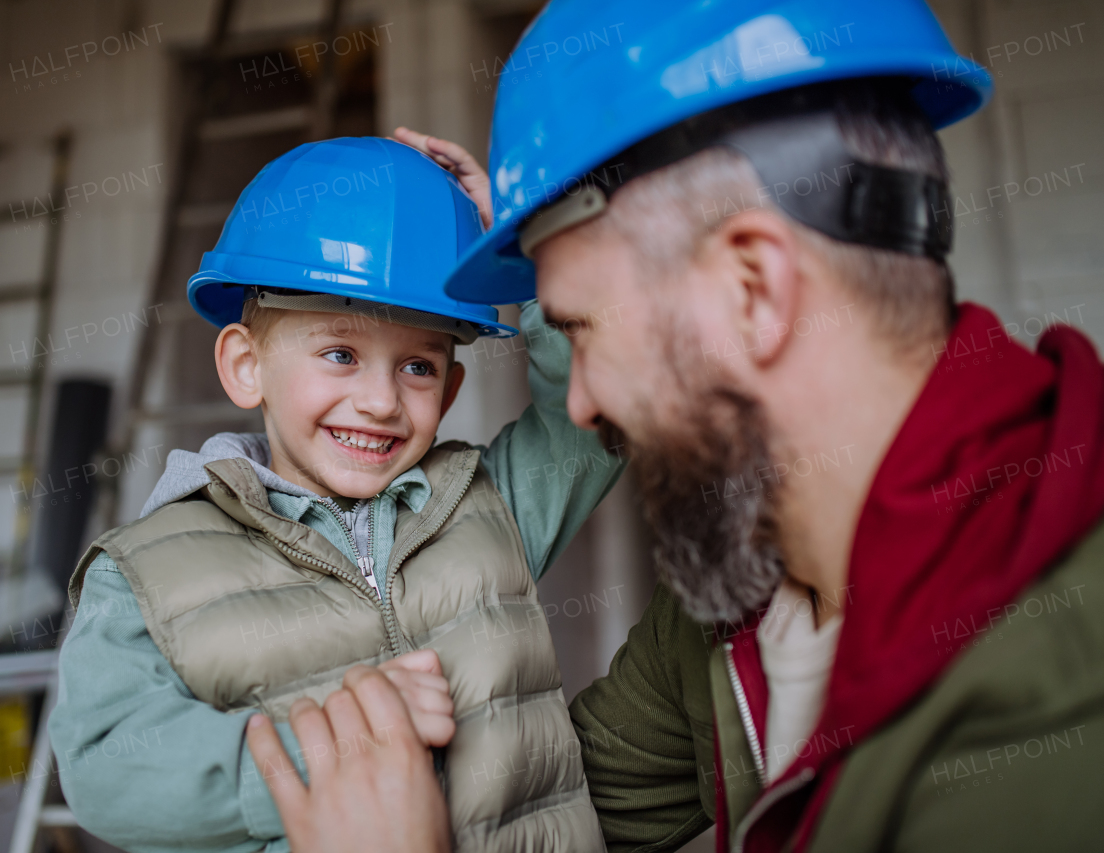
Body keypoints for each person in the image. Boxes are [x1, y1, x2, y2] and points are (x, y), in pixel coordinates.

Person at [247, 0, 1104, 851]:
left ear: (752, 290)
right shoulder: (740, 599)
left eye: (580, 328)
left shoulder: (1057, 706)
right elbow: (549, 817)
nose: (578, 405)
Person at [49, 132, 624, 852]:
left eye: (417, 365)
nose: (381, 401)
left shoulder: (487, 503)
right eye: (341, 354)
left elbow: (593, 410)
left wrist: (532, 243)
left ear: (450, 389)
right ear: (244, 365)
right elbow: (108, 768)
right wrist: (332, 745)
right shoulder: (147, 571)